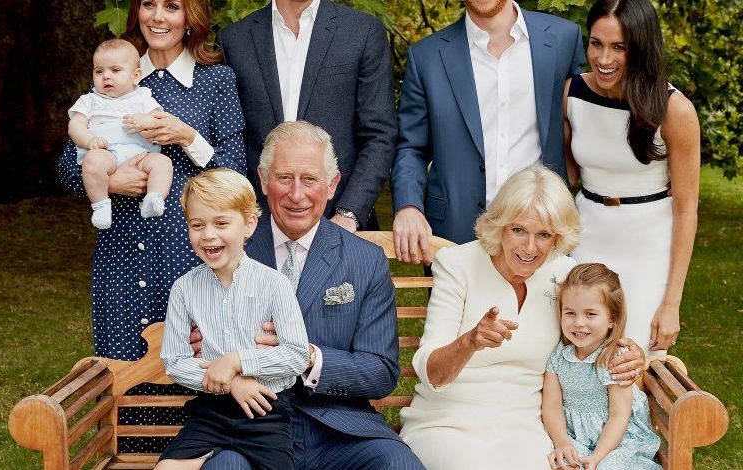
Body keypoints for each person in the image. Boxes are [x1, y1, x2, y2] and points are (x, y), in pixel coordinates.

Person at [57, 0, 246, 453]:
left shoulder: (214, 80)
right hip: (121, 255)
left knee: (196, 367)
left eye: (172, 6)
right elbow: (68, 165)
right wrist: (109, 181)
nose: (157, 16)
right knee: (125, 375)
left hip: (189, 254)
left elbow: (236, 170)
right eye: (148, 4)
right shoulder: (113, 71)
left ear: (191, 18)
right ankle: (132, 457)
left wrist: (187, 137)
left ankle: (201, 458)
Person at [198, 121, 424, 470]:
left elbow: (381, 372)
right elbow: (197, 345)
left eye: (310, 179)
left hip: (339, 430)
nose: (297, 194)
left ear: (332, 184)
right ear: (262, 179)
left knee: (398, 464)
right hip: (246, 427)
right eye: (284, 178)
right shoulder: (225, 250)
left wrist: (308, 358)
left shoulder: (364, 260)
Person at [398, 166, 645, 470]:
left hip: (525, 427)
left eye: (543, 235)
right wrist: (469, 342)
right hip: (446, 422)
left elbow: (596, 335)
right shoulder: (457, 265)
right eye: (518, 230)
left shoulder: (562, 273)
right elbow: (432, 373)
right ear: (500, 225)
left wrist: (629, 352)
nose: (530, 248)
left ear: (557, 236)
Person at [391, 0, 584, 263]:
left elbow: (584, 117)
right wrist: (408, 205)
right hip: (456, 234)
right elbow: (410, 147)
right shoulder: (426, 56)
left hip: (542, 233)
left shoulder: (563, 39)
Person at [565, 0, 700, 355]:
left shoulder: (674, 110)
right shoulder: (572, 94)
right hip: (586, 238)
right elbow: (566, 174)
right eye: (596, 43)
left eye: (619, 47)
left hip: (647, 246)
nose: (604, 59)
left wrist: (671, 303)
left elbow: (687, 210)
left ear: (640, 48)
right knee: (577, 355)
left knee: (633, 360)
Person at [157, 169, 308, 470]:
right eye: (196, 225)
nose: (208, 235)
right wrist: (231, 382)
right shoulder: (184, 288)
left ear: (249, 224)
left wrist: (238, 360)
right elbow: (175, 361)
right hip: (211, 411)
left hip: (265, 410)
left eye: (221, 223)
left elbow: (296, 355)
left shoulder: (274, 284)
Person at [216, 0, 396, 232]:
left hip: (340, 222)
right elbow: (231, 141)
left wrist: (349, 213)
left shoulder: (362, 31)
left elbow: (379, 135)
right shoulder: (233, 40)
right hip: (258, 228)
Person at [542, 263, 661, 470]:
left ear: (612, 320)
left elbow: (619, 416)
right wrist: (562, 442)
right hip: (574, 436)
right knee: (563, 464)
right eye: (570, 313)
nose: (578, 322)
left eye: (590, 314)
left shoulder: (615, 359)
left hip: (616, 440)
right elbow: (551, 406)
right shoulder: (559, 357)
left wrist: (597, 457)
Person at [68, 39, 171, 229]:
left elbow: (160, 121)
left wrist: (148, 121)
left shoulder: (143, 97)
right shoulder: (89, 100)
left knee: (163, 163)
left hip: (140, 155)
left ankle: (154, 198)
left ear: (135, 76)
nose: (106, 76)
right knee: (93, 162)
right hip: (106, 154)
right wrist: (89, 140)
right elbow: (75, 126)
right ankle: (101, 205)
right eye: (99, 71)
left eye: (115, 70)